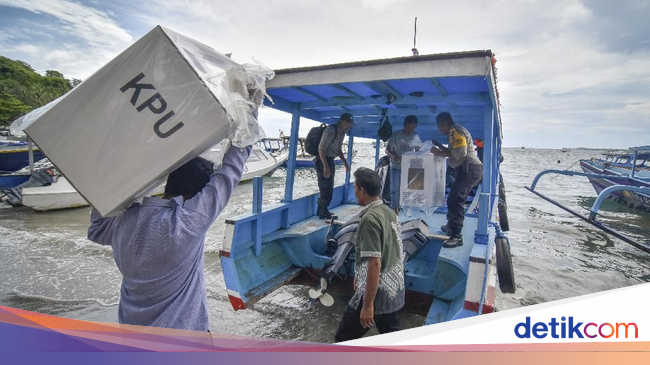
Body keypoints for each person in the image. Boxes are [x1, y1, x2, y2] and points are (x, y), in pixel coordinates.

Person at [87, 142, 252, 331]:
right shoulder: (185, 224)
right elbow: (228, 176)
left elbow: (96, 229)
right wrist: (247, 122)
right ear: (192, 197)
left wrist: (130, 185)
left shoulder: (124, 220)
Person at [334, 167, 404, 342]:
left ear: (362, 190)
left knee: (343, 338)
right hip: (393, 291)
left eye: (355, 188)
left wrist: (367, 305)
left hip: (376, 293)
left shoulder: (369, 220)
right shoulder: (389, 212)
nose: (355, 192)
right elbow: (393, 250)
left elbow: (374, 263)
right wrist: (359, 274)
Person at [430, 112, 482, 248]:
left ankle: (457, 236)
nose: (440, 130)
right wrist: (440, 146)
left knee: (456, 198)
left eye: (439, 127)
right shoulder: (454, 132)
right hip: (466, 170)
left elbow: (460, 153)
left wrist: (438, 153)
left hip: (470, 169)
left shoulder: (455, 131)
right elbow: (454, 150)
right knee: (453, 196)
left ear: (443, 124)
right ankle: (451, 226)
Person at [316, 113, 353, 219]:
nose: (349, 126)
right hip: (322, 160)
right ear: (342, 121)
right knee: (325, 187)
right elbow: (321, 149)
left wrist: (345, 163)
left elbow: (338, 149)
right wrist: (325, 166)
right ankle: (323, 211)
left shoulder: (341, 133)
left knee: (328, 185)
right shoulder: (331, 130)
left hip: (330, 160)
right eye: (348, 123)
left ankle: (321, 210)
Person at [385, 115, 422, 213]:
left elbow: (419, 150)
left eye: (413, 127)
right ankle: (395, 208)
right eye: (409, 126)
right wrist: (393, 155)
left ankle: (406, 208)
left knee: (407, 188)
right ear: (404, 125)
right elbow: (387, 150)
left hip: (408, 167)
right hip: (395, 166)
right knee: (395, 188)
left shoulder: (415, 136)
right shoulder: (396, 135)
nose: (411, 129)